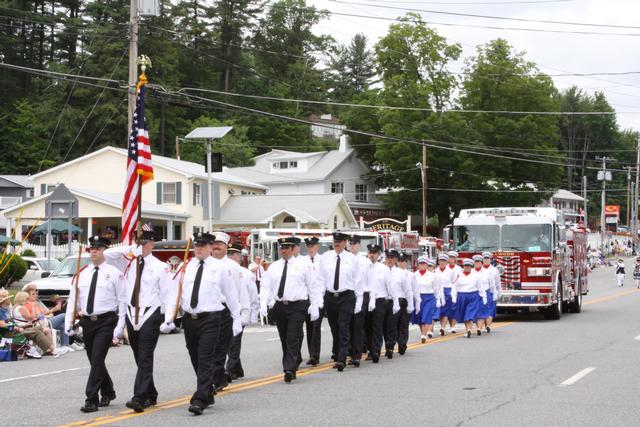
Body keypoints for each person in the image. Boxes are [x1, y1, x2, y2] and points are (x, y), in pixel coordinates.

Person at [164, 231, 242, 416]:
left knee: (206, 357)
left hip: (211, 318)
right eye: (196, 245)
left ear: (210, 248)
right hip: (190, 319)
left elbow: (231, 295)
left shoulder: (220, 268)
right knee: (195, 358)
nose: (199, 248)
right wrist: (169, 318)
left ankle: (199, 399)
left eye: (203, 246)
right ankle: (207, 391)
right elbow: (175, 294)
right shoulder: (185, 266)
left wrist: (237, 318)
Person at [104, 224, 172, 413]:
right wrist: (130, 250)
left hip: (150, 313)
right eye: (139, 242)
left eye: (145, 242)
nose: (142, 245)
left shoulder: (160, 266)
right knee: (138, 356)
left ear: (152, 243)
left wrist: (169, 318)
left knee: (145, 356)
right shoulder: (127, 262)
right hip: (130, 312)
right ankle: (150, 393)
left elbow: (167, 293)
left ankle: (139, 397)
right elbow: (108, 255)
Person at [64, 236, 126, 413]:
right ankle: (108, 391)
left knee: (97, 358)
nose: (94, 251)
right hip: (87, 322)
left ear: (104, 251)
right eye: (92, 248)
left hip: (106, 321)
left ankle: (91, 398)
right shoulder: (82, 274)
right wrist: (69, 322)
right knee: (94, 360)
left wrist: (120, 326)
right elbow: (73, 300)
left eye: (98, 248)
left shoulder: (114, 273)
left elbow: (122, 301)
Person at [259, 237, 323, 382]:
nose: (284, 250)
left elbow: (313, 286)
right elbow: (266, 286)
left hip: (297, 306)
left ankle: (289, 368)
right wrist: (263, 303)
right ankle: (292, 363)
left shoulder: (303, 265)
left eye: (287, 248)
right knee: (284, 337)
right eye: (282, 248)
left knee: (293, 337)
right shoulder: (274, 267)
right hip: (280, 306)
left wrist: (315, 305)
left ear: (292, 249)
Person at [316, 232, 363, 372]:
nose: (337, 244)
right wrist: (319, 298)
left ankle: (341, 359)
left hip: (346, 297)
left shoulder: (352, 259)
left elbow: (358, 282)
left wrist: (359, 302)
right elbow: (320, 279)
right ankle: (339, 353)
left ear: (345, 243)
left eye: (340, 241)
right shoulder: (325, 258)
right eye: (335, 241)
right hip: (330, 297)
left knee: (344, 326)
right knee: (334, 328)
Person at [211, 231, 250, 392]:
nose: (216, 247)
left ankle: (216, 379)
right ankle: (218, 377)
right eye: (214, 244)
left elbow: (240, 292)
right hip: (209, 309)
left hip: (226, 310)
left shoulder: (234, 267)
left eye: (220, 244)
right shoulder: (205, 264)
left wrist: (243, 315)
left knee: (220, 347)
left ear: (226, 247)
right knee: (211, 347)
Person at [225, 242, 259, 381]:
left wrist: (253, 313)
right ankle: (237, 369)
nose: (236, 258)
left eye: (236, 255)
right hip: (223, 310)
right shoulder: (221, 269)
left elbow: (252, 293)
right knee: (228, 342)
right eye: (232, 255)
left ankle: (229, 370)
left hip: (239, 310)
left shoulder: (245, 273)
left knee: (234, 341)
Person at [364, 244, 395, 363]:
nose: (372, 254)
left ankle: (375, 351)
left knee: (377, 327)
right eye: (370, 252)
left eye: (375, 253)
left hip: (380, 300)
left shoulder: (384, 269)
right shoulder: (363, 266)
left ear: (378, 255)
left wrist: (394, 300)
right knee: (366, 327)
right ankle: (369, 349)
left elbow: (389, 285)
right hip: (366, 299)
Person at [347, 235, 370, 365]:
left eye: (354, 243)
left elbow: (369, 280)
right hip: (348, 295)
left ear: (359, 245)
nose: (352, 245)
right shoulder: (345, 259)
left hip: (362, 294)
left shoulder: (365, 261)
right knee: (347, 325)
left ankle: (356, 354)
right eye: (350, 243)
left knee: (358, 325)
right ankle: (349, 351)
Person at [302, 236, 323, 366]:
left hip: (320, 297)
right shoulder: (303, 261)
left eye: (313, 246)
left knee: (316, 326)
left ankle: (316, 354)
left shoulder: (322, 261)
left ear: (317, 247)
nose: (310, 249)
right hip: (307, 298)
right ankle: (312, 354)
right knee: (310, 327)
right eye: (308, 246)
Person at [13, 291, 55, 355]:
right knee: (45, 330)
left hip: (24, 326)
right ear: (22, 299)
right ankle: (51, 349)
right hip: (24, 327)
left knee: (42, 329)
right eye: (27, 298)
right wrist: (33, 307)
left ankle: (49, 349)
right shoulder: (21, 308)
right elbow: (31, 317)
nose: (28, 299)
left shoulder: (17, 307)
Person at [453, 258, 486, 338]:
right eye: (465, 266)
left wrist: (484, 296)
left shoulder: (476, 276)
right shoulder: (459, 275)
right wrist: (454, 296)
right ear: (463, 267)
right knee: (464, 313)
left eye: (469, 266)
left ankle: (469, 330)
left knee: (469, 313)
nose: (467, 267)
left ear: (472, 267)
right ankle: (468, 329)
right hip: (461, 296)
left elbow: (480, 287)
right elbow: (454, 287)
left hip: (473, 296)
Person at [412, 257, 441, 342]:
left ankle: (424, 334)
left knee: (427, 315)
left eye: (424, 264)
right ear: (418, 265)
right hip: (418, 297)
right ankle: (423, 333)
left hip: (429, 297)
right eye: (420, 263)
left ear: (427, 265)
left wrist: (438, 300)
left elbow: (436, 289)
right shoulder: (414, 275)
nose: (422, 265)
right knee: (420, 317)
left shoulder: (432, 276)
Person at [382, 250, 402, 359]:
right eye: (387, 258)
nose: (389, 260)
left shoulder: (400, 272)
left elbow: (406, 289)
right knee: (381, 326)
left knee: (391, 325)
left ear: (395, 260)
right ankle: (380, 347)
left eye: (392, 258)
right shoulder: (380, 270)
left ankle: (389, 347)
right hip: (381, 301)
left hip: (394, 301)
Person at [395, 253, 415, 355]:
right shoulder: (393, 272)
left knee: (403, 324)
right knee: (394, 325)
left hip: (405, 300)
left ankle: (402, 344)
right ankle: (393, 343)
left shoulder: (411, 275)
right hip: (395, 300)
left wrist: (413, 304)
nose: (401, 263)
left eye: (403, 261)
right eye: (399, 261)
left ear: (406, 263)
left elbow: (413, 290)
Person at [440, 251, 461, 334]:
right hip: (445, 290)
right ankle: (445, 326)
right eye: (450, 257)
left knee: (454, 309)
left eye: (453, 257)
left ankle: (453, 326)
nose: (451, 259)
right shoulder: (444, 267)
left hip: (455, 289)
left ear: (455, 259)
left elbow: (457, 280)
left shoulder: (459, 269)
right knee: (445, 309)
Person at [481, 252, 501, 333]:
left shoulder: (494, 270)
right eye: (485, 258)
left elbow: (497, 283)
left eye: (488, 258)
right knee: (482, 309)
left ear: (491, 259)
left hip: (491, 291)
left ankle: (488, 326)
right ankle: (482, 326)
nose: (486, 260)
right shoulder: (479, 269)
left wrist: (498, 293)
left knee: (490, 309)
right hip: (481, 292)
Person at [472, 255, 490, 336]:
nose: (477, 263)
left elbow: (492, 283)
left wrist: (494, 294)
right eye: (476, 262)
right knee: (475, 311)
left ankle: (479, 328)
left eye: (479, 262)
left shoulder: (486, 272)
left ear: (481, 263)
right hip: (474, 293)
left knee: (482, 311)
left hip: (484, 293)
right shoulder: (471, 272)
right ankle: (478, 326)